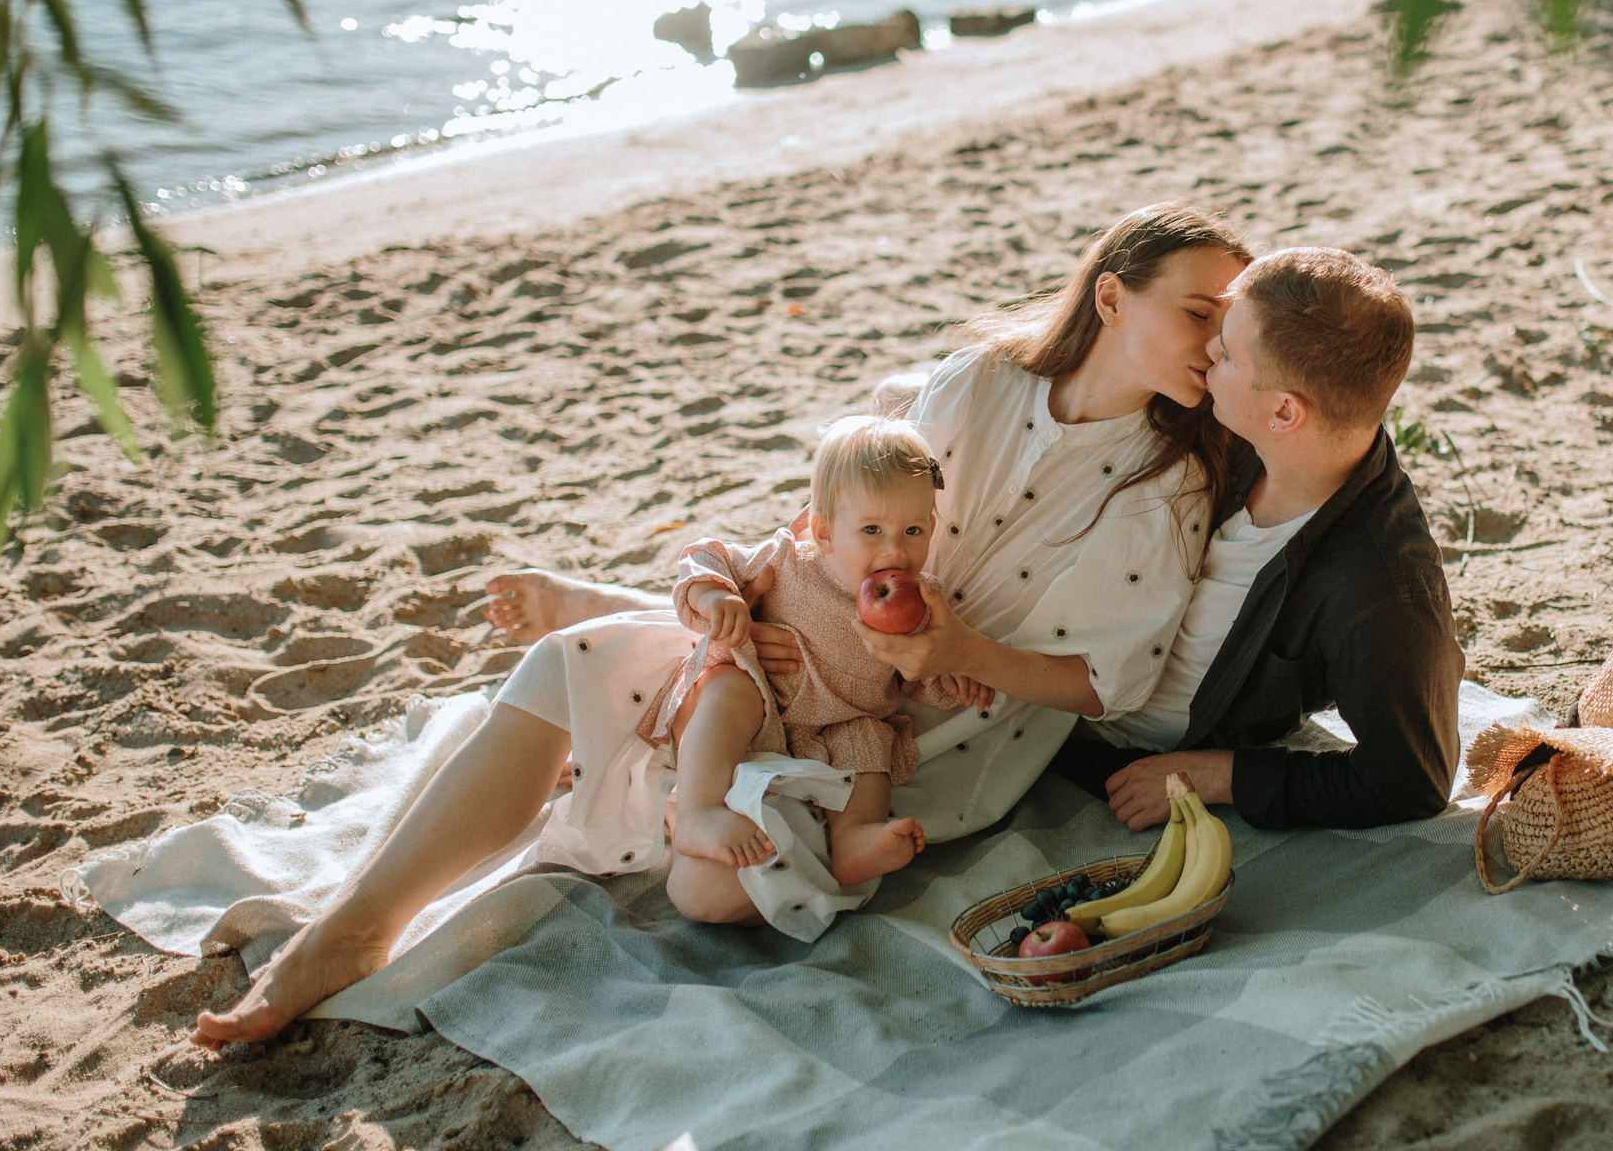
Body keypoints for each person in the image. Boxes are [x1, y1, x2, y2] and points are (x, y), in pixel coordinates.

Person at [195, 203, 1251, 1047]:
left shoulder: (1164, 486)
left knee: (683, 768)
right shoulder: (979, 381)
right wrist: (769, 606)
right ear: (1112, 296)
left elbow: (1106, 682)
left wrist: (953, 653)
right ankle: (354, 927)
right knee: (575, 663)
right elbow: (849, 518)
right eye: (1199, 311)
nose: (1216, 340)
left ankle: (613, 624)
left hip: (923, 726)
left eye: (1229, 321)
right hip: (809, 641)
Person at [1051, 245, 1463, 831]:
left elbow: (1409, 780)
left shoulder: (1380, 590)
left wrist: (1218, 775)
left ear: (1285, 412)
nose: (1207, 350)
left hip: (1092, 746)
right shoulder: (1232, 431)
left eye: (1228, 353)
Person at [651, 415, 988, 896]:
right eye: (871, 529)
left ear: (932, 527)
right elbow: (707, 556)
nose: (895, 550)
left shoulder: (919, 601)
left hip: (842, 721)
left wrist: (953, 673)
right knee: (728, 688)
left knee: (873, 744)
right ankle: (698, 812)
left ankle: (852, 842)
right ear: (824, 531)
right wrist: (714, 598)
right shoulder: (789, 560)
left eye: (912, 530)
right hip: (767, 699)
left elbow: (917, 668)